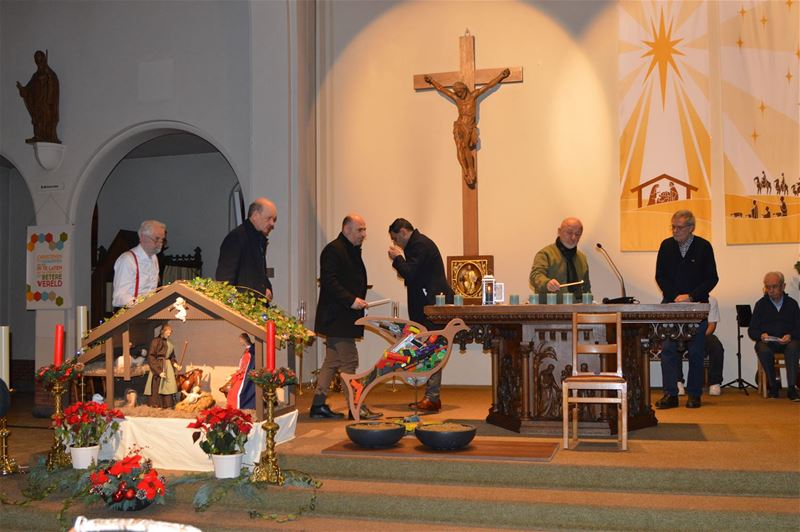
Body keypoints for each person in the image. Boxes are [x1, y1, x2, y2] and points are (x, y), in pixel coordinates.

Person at [312, 214, 380, 420]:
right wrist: (352, 300)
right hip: (338, 317)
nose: (364, 234)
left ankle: (317, 405)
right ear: (347, 229)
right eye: (360, 230)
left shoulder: (349, 250)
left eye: (364, 230)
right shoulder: (334, 250)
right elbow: (329, 282)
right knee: (349, 360)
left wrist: (357, 302)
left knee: (331, 361)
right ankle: (355, 407)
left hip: (342, 316)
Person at [654, 210, 718, 409]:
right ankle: (670, 394)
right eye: (673, 226)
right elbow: (660, 276)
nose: (675, 230)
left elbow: (712, 278)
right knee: (668, 351)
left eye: (679, 227)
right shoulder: (666, 246)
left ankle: (694, 394)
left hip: (696, 305)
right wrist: (675, 296)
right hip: (671, 305)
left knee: (697, 351)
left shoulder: (704, 247)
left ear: (691, 228)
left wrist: (690, 296)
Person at [387, 218, 453, 412]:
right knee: (430, 348)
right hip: (428, 305)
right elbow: (414, 275)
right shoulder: (417, 244)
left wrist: (397, 258)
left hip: (431, 307)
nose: (395, 243)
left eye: (395, 238)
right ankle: (431, 396)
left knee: (432, 349)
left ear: (403, 232)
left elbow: (411, 273)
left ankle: (432, 397)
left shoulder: (420, 244)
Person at [424, 68, 510, 187]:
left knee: (465, 147)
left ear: (464, 89)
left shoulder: (473, 96)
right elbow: (442, 90)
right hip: (459, 124)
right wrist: (432, 81)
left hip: (469, 126)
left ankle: (471, 169)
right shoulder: (457, 99)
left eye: (459, 92)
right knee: (459, 148)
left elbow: (488, 86)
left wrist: (501, 76)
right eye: (457, 93)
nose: (458, 94)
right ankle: (465, 170)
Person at [748, 271, 800, 401]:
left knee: (794, 347)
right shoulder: (760, 305)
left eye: (774, 286)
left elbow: (799, 328)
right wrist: (761, 335)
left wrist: (790, 335)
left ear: (783, 286)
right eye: (767, 287)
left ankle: (792, 388)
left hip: (788, 341)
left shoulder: (792, 304)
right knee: (763, 350)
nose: (770, 290)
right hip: (768, 342)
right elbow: (752, 330)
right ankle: (773, 386)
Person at [215, 198, 277, 302]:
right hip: (242, 309)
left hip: (254, 307)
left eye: (274, 219)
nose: (272, 223)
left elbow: (259, 273)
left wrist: (266, 288)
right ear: (255, 215)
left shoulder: (258, 238)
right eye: (269, 218)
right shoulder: (236, 238)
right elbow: (224, 281)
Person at [529, 217, 591, 299]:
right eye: (569, 232)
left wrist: (590, 305)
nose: (573, 237)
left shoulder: (582, 258)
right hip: (551, 310)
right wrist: (547, 283)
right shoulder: (545, 254)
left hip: (577, 308)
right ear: (559, 231)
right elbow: (535, 276)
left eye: (577, 234)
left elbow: (586, 288)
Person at [675, 295, 725, 396]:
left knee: (716, 345)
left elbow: (712, 325)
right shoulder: (679, 299)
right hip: (682, 334)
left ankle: (715, 382)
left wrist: (699, 336)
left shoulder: (711, 300)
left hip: (703, 334)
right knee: (673, 345)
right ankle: (678, 382)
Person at [112, 220, 166, 309]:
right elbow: (119, 298)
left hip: (147, 314)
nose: (160, 244)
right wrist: (142, 305)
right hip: (129, 315)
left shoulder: (154, 258)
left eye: (162, 240)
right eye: (157, 239)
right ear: (143, 237)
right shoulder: (127, 259)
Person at [16, 50, 60, 144]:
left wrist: (49, 80)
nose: (38, 61)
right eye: (36, 59)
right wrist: (23, 89)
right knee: (38, 119)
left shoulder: (50, 75)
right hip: (37, 103)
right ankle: (38, 136)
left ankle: (49, 136)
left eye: (40, 58)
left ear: (43, 59)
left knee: (47, 118)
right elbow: (29, 89)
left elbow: (54, 87)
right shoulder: (35, 76)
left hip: (47, 103)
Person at [144, 325, 181, 408]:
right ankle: (157, 404)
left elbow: (172, 357)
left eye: (171, 331)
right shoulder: (156, 341)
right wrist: (158, 371)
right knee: (157, 385)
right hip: (158, 365)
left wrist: (176, 365)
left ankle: (167, 405)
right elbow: (151, 356)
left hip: (168, 367)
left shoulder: (170, 342)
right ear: (163, 331)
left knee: (168, 386)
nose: (169, 332)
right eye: (168, 330)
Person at [226, 333, 257, 410]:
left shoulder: (251, 350)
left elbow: (248, 365)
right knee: (232, 390)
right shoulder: (247, 350)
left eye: (240, 339)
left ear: (244, 339)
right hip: (241, 373)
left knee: (237, 391)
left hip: (245, 374)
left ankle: (238, 407)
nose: (240, 341)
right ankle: (232, 407)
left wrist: (240, 372)